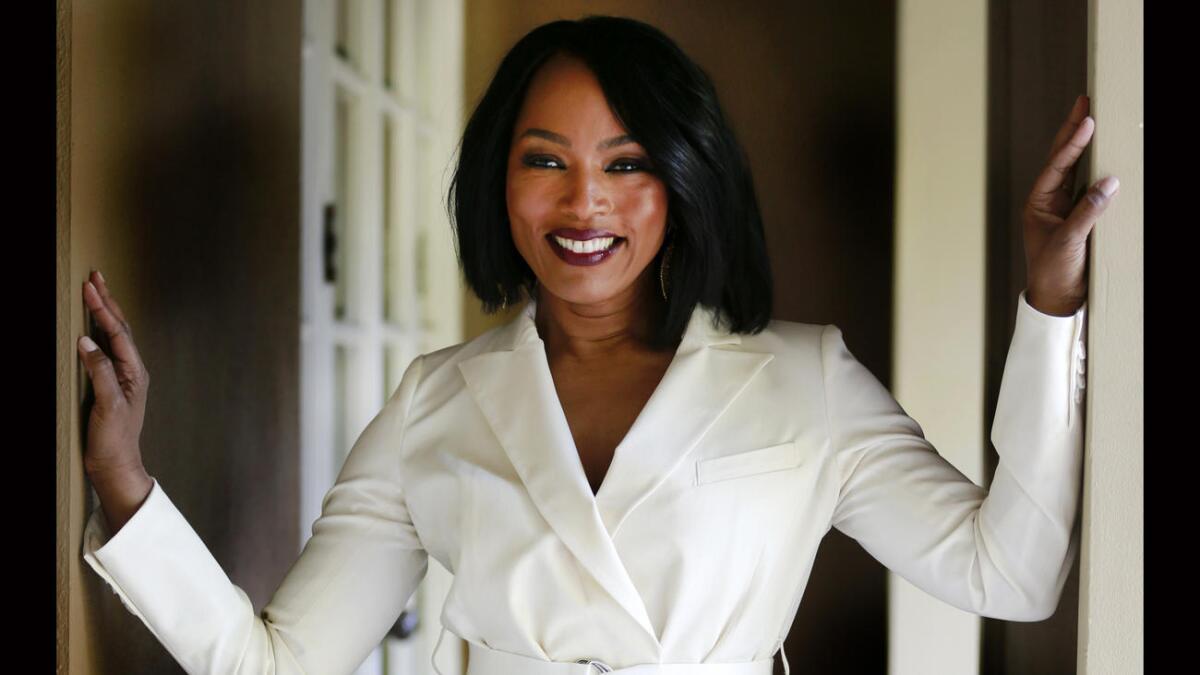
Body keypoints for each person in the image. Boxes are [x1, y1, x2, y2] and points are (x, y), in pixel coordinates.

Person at [77, 15, 1118, 675]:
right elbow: (279, 667)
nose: (586, 203)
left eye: (627, 164)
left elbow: (1010, 575)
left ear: (683, 182)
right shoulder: (434, 406)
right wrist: (124, 483)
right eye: (546, 160)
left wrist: (1050, 305)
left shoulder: (806, 382)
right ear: (501, 181)